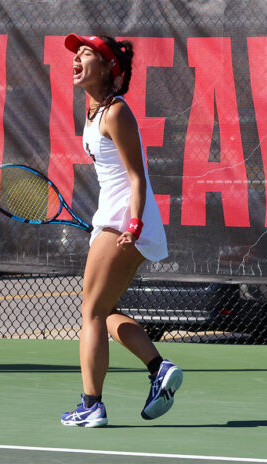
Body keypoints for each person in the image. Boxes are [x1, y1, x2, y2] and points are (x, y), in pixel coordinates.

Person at [60, 33, 183, 428]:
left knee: (90, 313)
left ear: (108, 68)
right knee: (105, 312)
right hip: (111, 220)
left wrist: (132, 224)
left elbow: (136, 177)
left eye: (85, 55)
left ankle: (91, 405)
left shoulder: (116, 112)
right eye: (75, 56)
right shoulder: (94, 110)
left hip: (125, 221)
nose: (76, 61)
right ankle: (158, 368)